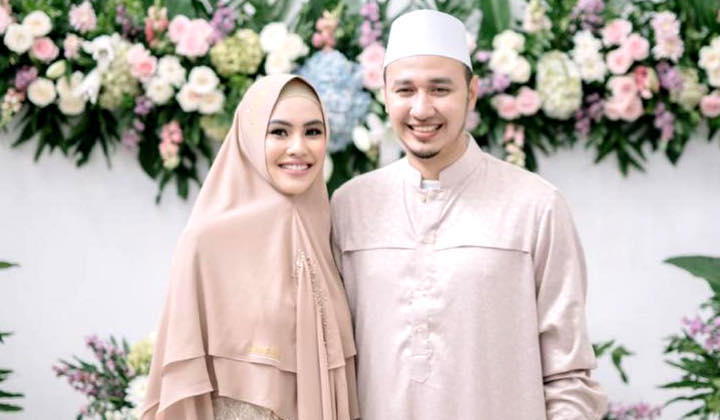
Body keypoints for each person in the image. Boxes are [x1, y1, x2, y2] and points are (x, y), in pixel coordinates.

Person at [330, 9, 608, 420]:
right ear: (385, 94)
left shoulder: (535, 206)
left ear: (471, 93)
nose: (421, 109)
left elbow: (568, 376)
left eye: (440, 89)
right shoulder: (349, 206)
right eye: (405, 90)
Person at [141, 74, 359, 420]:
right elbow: (184, 386)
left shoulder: (328, 230)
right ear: (250, 137)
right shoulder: (206, 242)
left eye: (313, 132)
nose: (298, 147)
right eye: (279, 132)